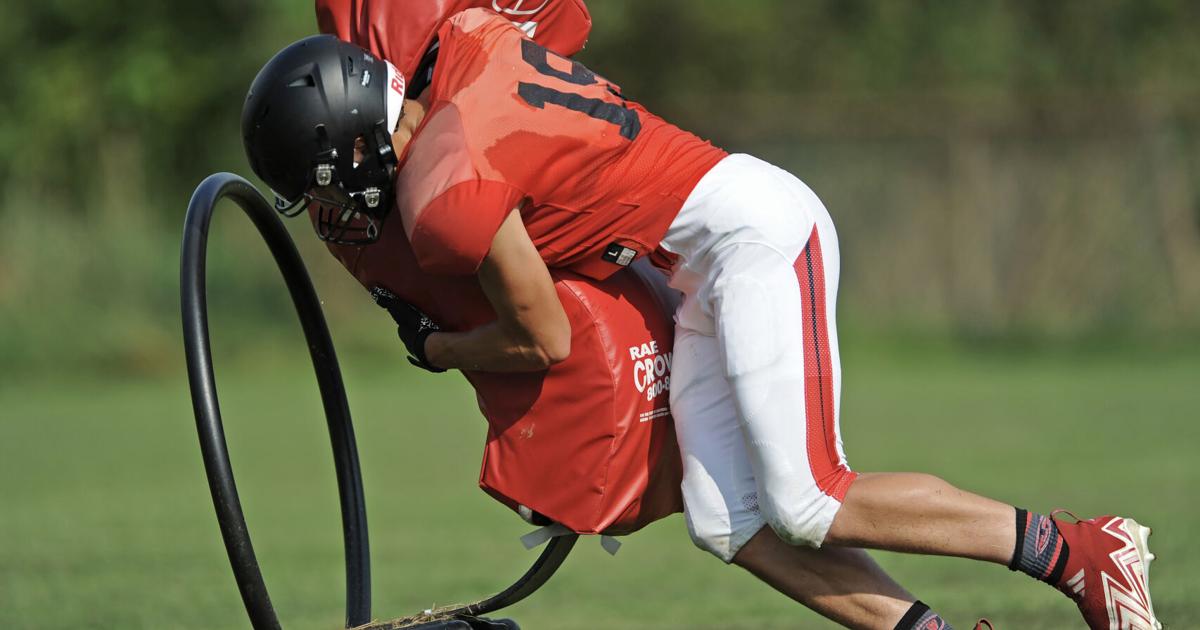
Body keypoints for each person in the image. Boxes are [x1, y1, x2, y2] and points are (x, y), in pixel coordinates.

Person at [241, 10, 1161, 630]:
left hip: (754, 236)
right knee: (731, 523)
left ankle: (1083, 552)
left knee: (809, 496)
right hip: (703, 268)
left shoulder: (446, 189)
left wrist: (439, 347)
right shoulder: (470, 40)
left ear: (351, 144)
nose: (329, 203)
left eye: (320, 177)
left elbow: (543, 338)